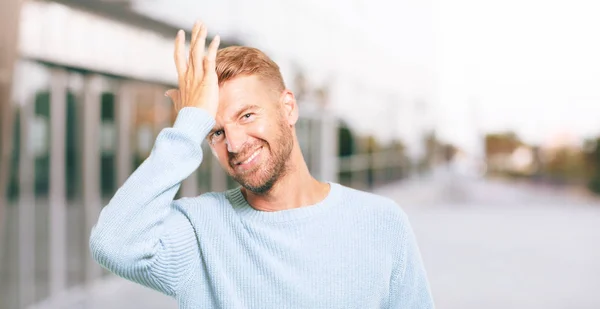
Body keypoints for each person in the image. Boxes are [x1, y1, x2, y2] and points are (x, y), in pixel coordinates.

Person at [89, 21, 434, 309]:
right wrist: (189, 123)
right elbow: (114, 243)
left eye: (247, 115)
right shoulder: (199, 231)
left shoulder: (382, 223)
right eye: (216, 132)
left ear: (288, 108)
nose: (235, 144)